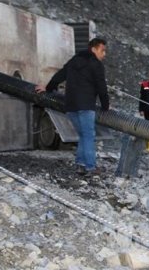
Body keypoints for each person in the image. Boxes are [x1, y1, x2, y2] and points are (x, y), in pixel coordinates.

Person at [36, 38, 110, 175]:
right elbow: (101, 86)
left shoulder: (74, 60)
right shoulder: (96, 64)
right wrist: (106, 106)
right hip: (86, 105)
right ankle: (91, 167)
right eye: (102, 50)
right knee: (88, 136)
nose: (104, 54)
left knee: (83, 135)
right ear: (93, 49)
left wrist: (47, 88)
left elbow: (60, 75)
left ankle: (80, 164)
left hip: (70, 106)